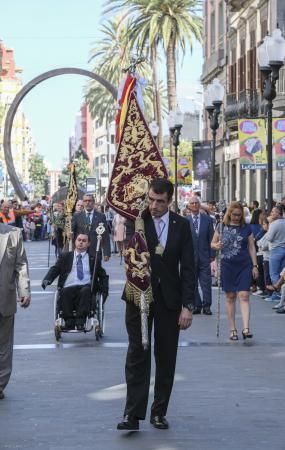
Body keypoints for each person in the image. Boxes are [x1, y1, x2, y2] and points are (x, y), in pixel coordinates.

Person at [117, 178, 196, 431]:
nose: (154, 205)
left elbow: (189, 267)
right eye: (150, 199)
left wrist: (188, 306)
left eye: (160, 201)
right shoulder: (136, 221)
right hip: (138, 297)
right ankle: (132, 414)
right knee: (137, 355)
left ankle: (159, 412)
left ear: (170, 201)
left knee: (166, 357)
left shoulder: (181, 226)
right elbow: (129, 256)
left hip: (169, 301)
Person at [211, 201, 258, 341]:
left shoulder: (246, 228)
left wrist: (255, 265)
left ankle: (246, 328)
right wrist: (216, 245)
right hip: (227, 265)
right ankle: (232, 329)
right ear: (229, 213)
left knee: (244, 295)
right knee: (230, 296)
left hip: (244, 264)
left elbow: (251, 247)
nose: (237, 217)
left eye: (239, 215)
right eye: (234, 214)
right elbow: (212, 243)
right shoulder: (222, 226)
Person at [0, 221, 31, 400]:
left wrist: (24, 290)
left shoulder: (13, 234)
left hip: (5, 298)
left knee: (4, 346)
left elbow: (21, 265)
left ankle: (0, 384)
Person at [42, 234, 94, 330]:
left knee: (86, 291)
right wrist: (47, 279)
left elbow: (102, 275)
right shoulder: (65, 256)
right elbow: (56, 268)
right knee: (65, 292)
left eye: (84, 240)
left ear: (89, 243)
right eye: (79, 240)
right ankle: (69, 322)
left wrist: (104, 290)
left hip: (85, 286)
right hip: (69, 285)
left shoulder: (92, 259)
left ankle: (80, 322)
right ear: (75, 242)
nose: (81, 242)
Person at [186, 196, 214, 315]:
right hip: (190, 257)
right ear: (189, 206)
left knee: (206, 282)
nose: (194, 205)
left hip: (204, 256)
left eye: (196, 203)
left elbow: (211, 238)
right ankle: (197, 305)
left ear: (199, 204)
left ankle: (207, 306)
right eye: (192, 203)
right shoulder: (185, 221)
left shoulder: (207, 219)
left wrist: (212, 254)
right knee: (192, 282)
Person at [71, 194, 110, 260]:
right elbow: (72, 232)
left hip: (95, 251)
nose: (87, 203)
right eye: (85, 201)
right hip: (81, 251)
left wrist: (106, 253)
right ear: (83, 202)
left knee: (95, 270)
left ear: (93, 202)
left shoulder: (101, 216)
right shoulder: (77, 216)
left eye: (89, 201)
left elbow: (105, 235)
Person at [266, 205, 285, 301]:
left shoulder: (274, 224)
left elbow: (269, 237)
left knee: (274, 273)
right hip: (284, 248)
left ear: (279, 213)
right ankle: (282, 295)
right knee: (282, 273)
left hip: (275, 249)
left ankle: (276, 294)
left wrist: (269, 224)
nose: (271, 213)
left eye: (274, 211)